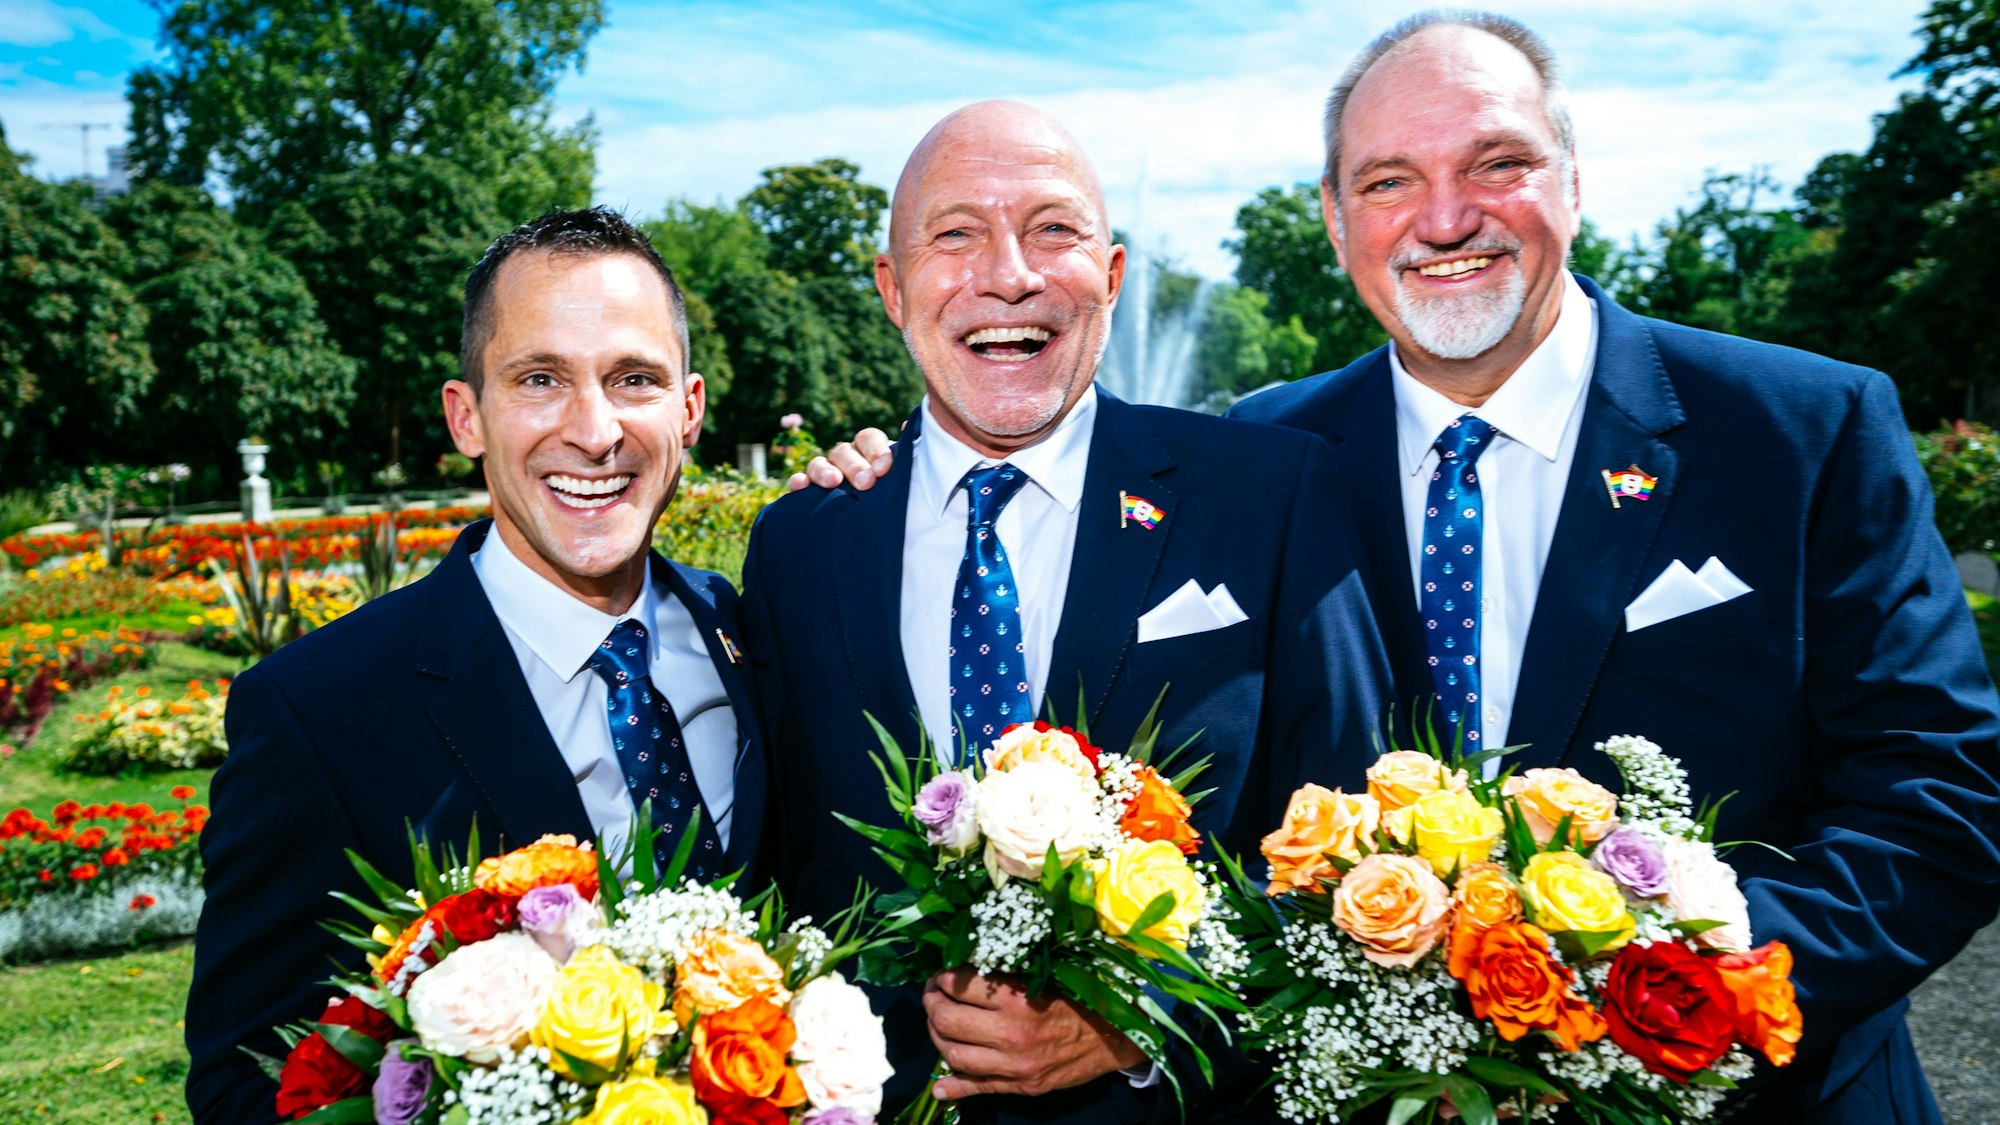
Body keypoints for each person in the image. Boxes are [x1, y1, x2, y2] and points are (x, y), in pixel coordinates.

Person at [807, 14, 2000, 1120]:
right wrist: (894, 474)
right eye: (1388, 182)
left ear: (1572, 182)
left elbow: (1940, 801)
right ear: (1335, 221)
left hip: (1752, 1095)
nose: (1442, 219)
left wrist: (1647, 994)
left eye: (1495, 164)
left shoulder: (1799, 429)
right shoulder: (1271, 458)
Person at [743, 100, 1388, 1123]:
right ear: (890, 288)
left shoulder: (1268, 495)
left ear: (1114, 276)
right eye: (954, 234)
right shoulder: (800, 543)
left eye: (1053, 229)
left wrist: (1146, 1013)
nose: (1009, 273)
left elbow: (1360, 846)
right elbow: (786, 871)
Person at [184, 208, 768, 1123]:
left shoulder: (754, 633)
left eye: (634, 379)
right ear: (468, 415)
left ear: (688, 409)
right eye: (540, 378)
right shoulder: (318, 713)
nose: (595, 429)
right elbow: (248, 1081)